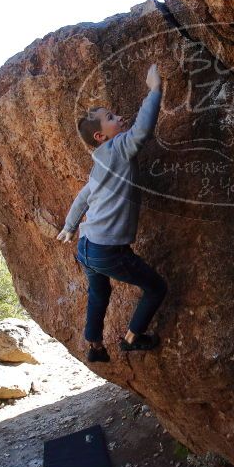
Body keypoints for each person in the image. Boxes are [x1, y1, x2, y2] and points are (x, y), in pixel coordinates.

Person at [57, 63, 167, 363]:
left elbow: (84, 196)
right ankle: (132, 338)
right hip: (107, 250)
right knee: (156, 288)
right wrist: (154, 90)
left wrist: (69, 225)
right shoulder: (118, 147)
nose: (118, 117)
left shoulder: (100, 161)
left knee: (99, 294)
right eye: (110, 118)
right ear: (100, 136)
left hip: (86, 245)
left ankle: (94, 344)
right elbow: (141, 132)